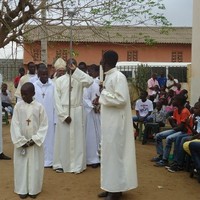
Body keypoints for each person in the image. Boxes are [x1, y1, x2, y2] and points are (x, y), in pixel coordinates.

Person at [98, 50, 138, 200]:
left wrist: (103, 95)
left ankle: (115, 191)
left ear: (106, 61)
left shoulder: (118, 77)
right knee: (108, 156)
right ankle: (110, 187)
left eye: (102, 59)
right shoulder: (109, 77)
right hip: (109, 124)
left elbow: (121, 100)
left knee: (115, 156)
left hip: (116, 125)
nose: (100, 62)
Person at [53, 58, 93, 174]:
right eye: (69, 64)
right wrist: (64, 115)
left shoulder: (80, 79)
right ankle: (61, 163)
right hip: (64, 111)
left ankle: (77, 165)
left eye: (73, 64)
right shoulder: (60, 81)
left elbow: (90, 81)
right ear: (66, 66)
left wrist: (76, 70)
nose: (71, 66)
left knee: (77, 139)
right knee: (63, 138)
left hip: (77, 111)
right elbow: (57, 100)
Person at [10, 82, 48, 199]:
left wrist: (34, 139)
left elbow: (44, 125)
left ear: (33, 93)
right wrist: (21, 141)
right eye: (22, 95)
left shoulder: (39, 107)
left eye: (26, 94)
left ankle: (34, 189)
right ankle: (22, 189)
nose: (23, 97)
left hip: (34, 143)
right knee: (21, 165)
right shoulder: (18, 107)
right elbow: (15, 124)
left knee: (35, 166)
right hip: (22, 144)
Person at [152, 94, 191, 167]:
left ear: (179, 102)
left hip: (185, 132)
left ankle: (164, 160)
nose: (172, 101)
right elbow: (176, 126)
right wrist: (173, 124)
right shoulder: (176, 110)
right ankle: (161, 155)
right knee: (158, 136)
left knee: (169, 138)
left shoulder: (185, 111)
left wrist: (172, 122)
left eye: (174, 100)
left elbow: (182, 127)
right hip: (178, 130)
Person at [33, 64, 56, 168]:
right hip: (37, 117)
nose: (45, 76)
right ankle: (38, 160)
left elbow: (56, 103)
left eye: (46, 74)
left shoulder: (53, 85)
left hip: (50, 116)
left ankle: (49, 160)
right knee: (39, 137)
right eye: (42, 74)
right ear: (38, 75)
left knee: (50, 138)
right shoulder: (33, 85)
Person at [84, 64, 101, 168]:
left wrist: (95, 105)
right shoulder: (88, 83)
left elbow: (97, 98)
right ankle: (89, 158)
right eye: (88, 71)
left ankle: (95, 158)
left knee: (95, 136)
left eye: (91, 71)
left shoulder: (95, 83)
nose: (89, 73)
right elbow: (84, 98)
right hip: (87, 112)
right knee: (89, 136)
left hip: (94, 113)